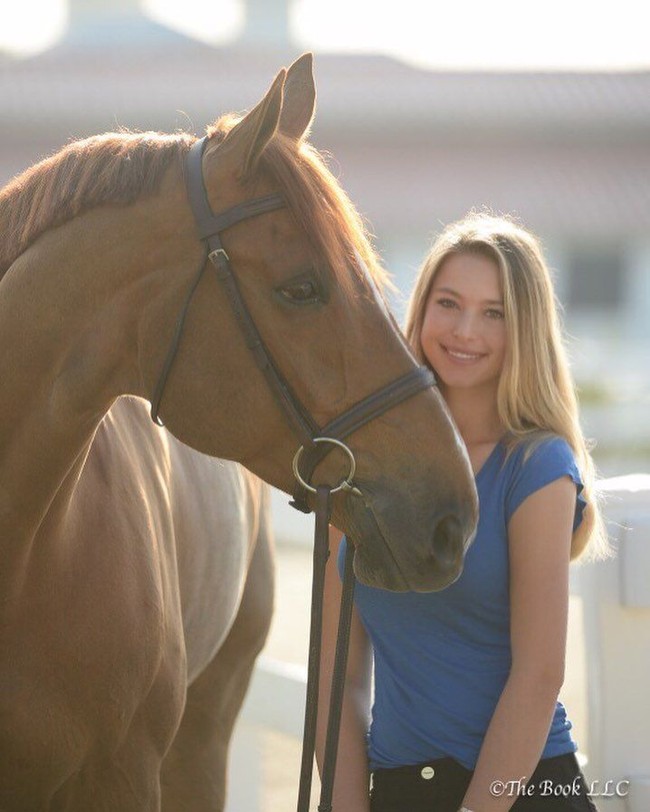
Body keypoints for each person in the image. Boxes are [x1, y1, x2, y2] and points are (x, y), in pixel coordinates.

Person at [316, 212, 608, 812]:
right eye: (448, 303)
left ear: (522, 329)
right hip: (397, 791)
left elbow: (538, 677)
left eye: (493, 312)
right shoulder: (362, 465)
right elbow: (334, 680)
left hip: (520, 791)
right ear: (421, 309)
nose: (465, 330)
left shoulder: (537, 468)